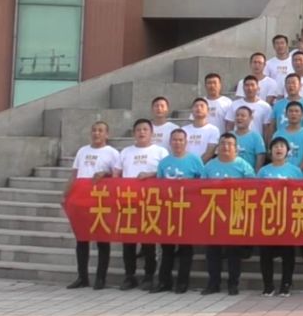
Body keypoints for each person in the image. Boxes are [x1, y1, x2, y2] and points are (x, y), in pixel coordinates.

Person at [65, 122, 120, 290]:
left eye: (100, 131)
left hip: (101, 201)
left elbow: (117, 177)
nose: (97, 133)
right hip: (81, 200)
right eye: (94, 130)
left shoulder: (112, 153)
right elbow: (74, 175)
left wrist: (106, 174)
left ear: (107, 134)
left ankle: (101, 278)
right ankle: (82, 277)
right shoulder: (82, 151)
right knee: (82, 239)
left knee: (102, 240)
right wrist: (66, 194)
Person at [115, 119, 168, 291]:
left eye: (145, 129)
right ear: (133, 133)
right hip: (128, 201)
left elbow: (165, 173)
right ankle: (129, 276)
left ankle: (148, 276)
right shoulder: (125, 152)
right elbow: (116, 174)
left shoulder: (160, 151)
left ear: (152, 133)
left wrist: (150, 175)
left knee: (148, 241)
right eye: (138, 130)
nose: (142, 132)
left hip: (151, 202)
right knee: (128, 242)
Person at [201, 134, 256, 295]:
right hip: (214, 214)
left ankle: (233, 283)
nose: (226, 147)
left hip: (235, 214)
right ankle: (213, 283)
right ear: (217, 148)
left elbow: (254, 187)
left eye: (230, 144)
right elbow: (200, 188)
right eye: (223, 143)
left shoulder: (243, 165)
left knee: (233, 251)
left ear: (236, 149)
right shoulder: (209, 166)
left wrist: (236, 184)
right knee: (213, 251)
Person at [153, 128, 204, 294]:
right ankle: (164, 281)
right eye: (174, 140)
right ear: (170, 142)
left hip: (188, 210)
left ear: (186, 142)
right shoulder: (164, 163)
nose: (177, 143)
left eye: (181, 140)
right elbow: (159, 186)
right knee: (167, 247)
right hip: (169, 210)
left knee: (185, 248)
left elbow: (203, 183)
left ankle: (182, 282)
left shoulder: (195, 160)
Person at [257, 138, 302, 297]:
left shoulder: (295, 171)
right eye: (275, 146)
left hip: (287, 216)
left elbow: (302, 193)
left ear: (287, 151)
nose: (279, 149)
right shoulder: (263, 171)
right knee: (265, 253)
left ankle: (286, 285)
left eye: (282, 146)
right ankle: (268, 285)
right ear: (270, 151)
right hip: (267, 217)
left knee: (288, 253)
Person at [272, 101, 303, 176]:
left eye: (296, 111)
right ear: (286, 114)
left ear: (302, 115)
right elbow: (274, 155)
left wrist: (295, 172)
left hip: (301, 176)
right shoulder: (278, 134)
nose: (293, 114)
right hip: (282, 176)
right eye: (291, 111)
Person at [181, 98, 220, 162]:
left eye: (202, 106)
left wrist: (197, 165)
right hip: (186, 164)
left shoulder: (213, 130)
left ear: (208, 110)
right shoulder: (183, 130)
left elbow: (210, 153)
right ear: (192, 111)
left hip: (204, 165)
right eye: (196, 106)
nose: (199, 108)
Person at [232, 106, 267, 170]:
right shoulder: (229, 136)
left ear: (250, 118)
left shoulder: (256, 137)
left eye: (243, 116)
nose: (239, 118)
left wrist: (255, 173)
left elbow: (260, 157)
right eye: (237, 115)